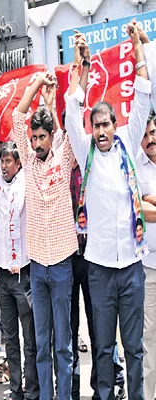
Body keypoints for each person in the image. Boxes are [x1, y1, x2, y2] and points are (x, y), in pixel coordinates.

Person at [66, 24, 150, 399]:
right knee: (102, 350)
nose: (100, 130)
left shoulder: (129, 148)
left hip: (132, 268)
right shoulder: (85, 154)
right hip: (99, 270)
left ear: (116, 126)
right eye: (95, 124)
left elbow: (145, 97)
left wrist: (137, 50)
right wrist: (80, 66)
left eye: (106, 124)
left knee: (134, 349)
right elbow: (71, 109)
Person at [13, 70, 76, 400]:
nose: (37, 143)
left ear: (51, 136)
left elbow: (72, 132)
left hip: (62, 266)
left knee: (63, 346)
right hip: (37, 268)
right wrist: (36, 83)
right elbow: (16, 115)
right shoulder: (28, 159)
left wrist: (54, 100)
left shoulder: (64, 159)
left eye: (42, 137)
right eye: (33, 138)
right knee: (40, 345)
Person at [0, 140, 39, 400]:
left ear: (18, 164)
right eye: (3, 161)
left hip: (24, 275)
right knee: (10, 337)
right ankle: (16, 390)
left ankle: (33, 391)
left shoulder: (26, 185)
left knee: (30, 339)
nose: (5, 165)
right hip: (3, 275)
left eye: (9, 161)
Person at [138, 110, 156, 400]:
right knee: (149, 341)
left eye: (153, 132)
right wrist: (145, 203)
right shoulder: (136, 167)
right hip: (148, 266)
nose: (151, 139)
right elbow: (140, 210)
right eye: (145, 134)